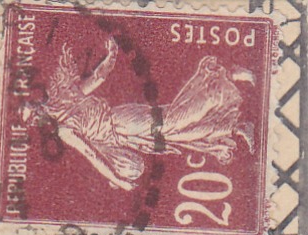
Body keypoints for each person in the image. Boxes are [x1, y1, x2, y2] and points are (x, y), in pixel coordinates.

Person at [22, 38, 256, 192]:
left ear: (39, 110)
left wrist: (119, 180)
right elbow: (98, 78)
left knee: (174, 122)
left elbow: (92, 156)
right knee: (176, 132)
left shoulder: (64, 129)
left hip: (123, 125)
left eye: (34, 118)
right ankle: (236, 125)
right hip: (124, 123)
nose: (37, 124)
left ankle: (222, 78)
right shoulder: (68, 100)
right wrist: (111, 56)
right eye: (34, 122)